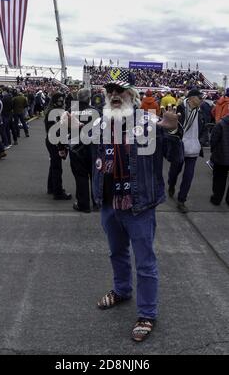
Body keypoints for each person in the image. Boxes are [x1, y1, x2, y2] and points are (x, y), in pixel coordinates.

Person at [91, 68, 179, 342]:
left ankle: (147, 313)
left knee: (145, 262)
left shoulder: (151, 123)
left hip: (139, 205)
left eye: (120, 91)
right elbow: (87, 161)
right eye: (110, 91)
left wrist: (173, 130)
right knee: (116, 253)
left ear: (132, 95)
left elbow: (175, 157)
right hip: (109, 204)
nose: (115, 95)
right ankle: (121, 290)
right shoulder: (99, 124)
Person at [167, 88, 205, 213]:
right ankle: (171, 185)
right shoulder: (179, 109)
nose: (202, 100)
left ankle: (181, 200)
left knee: (188, 176)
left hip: (194, 148)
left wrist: (202, 140)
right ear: (192, 98)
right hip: (180, 147)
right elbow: (171, 128)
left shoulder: (200, 111)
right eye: (200, 98)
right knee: (174, 172)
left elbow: (204, 128)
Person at [69, 88, 99, 212]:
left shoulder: (72, 111)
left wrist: (61, 147)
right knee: (95, 175)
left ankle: (83, 204)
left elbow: (63, 130)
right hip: (93, 148)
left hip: (76, 148)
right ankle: (97, 202)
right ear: (89, 98)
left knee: (80, 176)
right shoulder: (96, 112)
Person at [44, 92, 72, 200]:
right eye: (61, 100)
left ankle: (52, 187)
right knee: (57, 167)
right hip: (55, 141)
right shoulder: (55, 113)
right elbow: (57, 132)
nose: (63, 102)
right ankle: (58, 192)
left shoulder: (52, 111)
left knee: (54, 165)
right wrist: (61, 147)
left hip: (52, 141)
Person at [210, 113, 229, 205]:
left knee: (219, 179)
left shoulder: (221, 123)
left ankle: (216, 198)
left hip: (221, 156)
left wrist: (213, 151)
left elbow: (213, 140)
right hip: (221, 155)